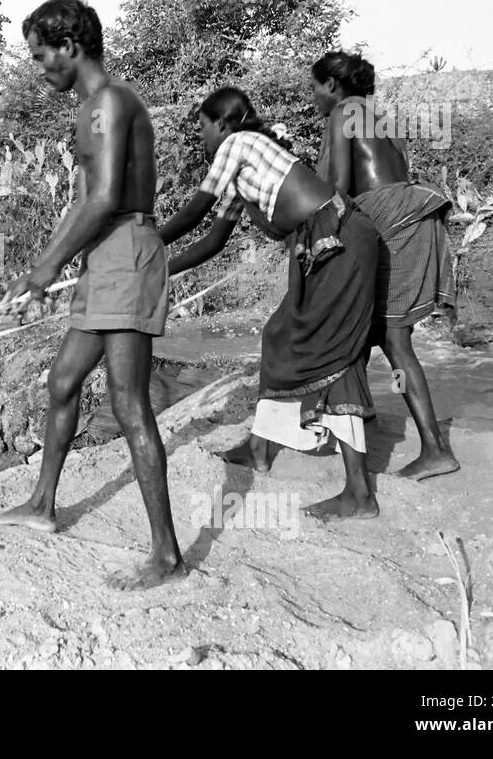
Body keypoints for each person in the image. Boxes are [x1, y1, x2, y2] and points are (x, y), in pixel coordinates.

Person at [0, 0, 183, 590]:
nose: (39, 67)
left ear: (70, 47)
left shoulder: (109, 103)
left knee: (128, 405)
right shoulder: (92, 107)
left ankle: (167, 556)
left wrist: (44, 272)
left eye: (42, 56)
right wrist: (42, 266)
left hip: (125, 254)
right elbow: (85, 204)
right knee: (64, 381)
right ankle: (43, 504)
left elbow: (102, 200)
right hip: (106, 257)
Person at [158, 87, 382, 521]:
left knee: (330, 350)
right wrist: (161, 268)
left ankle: (359, 493)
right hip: (323, 245)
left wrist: (143, 246)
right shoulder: (247, 170)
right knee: (280, 337)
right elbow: (213, 239)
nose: (203, 138)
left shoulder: (238, 143)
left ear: (223, 123)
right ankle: (261, 446)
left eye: (203, 127)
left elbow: (194, 210)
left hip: (339, 240)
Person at [312, 51, 459, 480]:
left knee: (392, 340)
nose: (316, 98)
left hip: (391, 223)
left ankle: (433, 449)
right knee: (372, 331)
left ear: (333, 86)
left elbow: (337, 189)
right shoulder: (378, 117)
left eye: (316, 88)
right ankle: (361, 417)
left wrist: (316, 239)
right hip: (414, 215)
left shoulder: (342, 113)